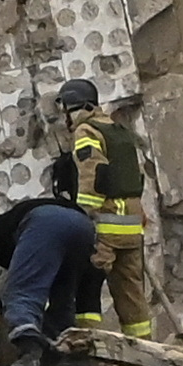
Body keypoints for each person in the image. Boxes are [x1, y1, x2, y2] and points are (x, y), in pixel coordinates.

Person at [0, 155, 105, 366]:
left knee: (22, 294)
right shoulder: (30, 218)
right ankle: (60, 359)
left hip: (45, 222)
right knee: (63, 299)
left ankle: (29, 358)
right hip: (84, 226)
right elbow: (88, 283)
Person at [58, 77, 155, 338]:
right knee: (132, 295)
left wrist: (82, 213)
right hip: (132, 225)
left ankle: (85, 349)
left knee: (86, 284)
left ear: (73, 107)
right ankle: (144, 358)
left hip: (106, 224)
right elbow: (135, 175)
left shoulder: (86, 131)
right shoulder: (119, 131)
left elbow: (93, 171)